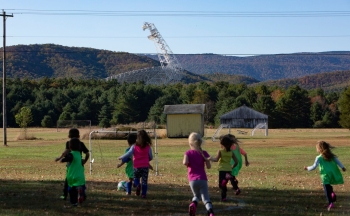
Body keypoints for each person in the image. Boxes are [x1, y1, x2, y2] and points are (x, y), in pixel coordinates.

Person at [304, 140, 346, 211]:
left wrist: (307, 168)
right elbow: (337, 161)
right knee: (329, 186)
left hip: (325, 175)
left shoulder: (319, 157)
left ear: (319, 149)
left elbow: (314, 167)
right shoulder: (331, 156)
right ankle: (332, 193)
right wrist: (342, 167)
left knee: (326, 188)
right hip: (332, 173)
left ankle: (330, 203)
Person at [183, 132, 214, 216]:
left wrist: (187, 163)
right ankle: (210, 212)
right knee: (206, 198)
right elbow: (208, 167)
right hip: (203, 179)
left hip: (192, 180)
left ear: (190, 143)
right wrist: (207, 160)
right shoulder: (204, 153)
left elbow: (185, 162)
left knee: (196, 195)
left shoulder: (188, 153)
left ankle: (193, 204)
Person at [55, 128, 90, 200]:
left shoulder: (69, 143)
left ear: (69, 135)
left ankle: (65, 195)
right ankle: (82, 193)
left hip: (70, 165)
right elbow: (87, 153)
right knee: (80, 179)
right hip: (79, 164)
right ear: (79, 135)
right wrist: (85, 161)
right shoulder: (81, 143)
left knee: (68, 179)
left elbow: (65, 152)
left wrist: (60, 158)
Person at [118, 130, 153, 198]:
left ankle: (137, 185)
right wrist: (147, 160)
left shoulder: (134, 146)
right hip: (145, 166)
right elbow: (151, 157)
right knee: (144, 181)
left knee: (136, 178)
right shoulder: (148, 147)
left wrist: (122, 157)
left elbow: (129, 154)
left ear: (138, 139)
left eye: (137, 138)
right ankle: (143, 194)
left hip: (137, 166)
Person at [209, 135, 238, 202]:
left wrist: (210, 158)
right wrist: (232, 167)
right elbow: (236, 162)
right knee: (224, 183)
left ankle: (224, 197)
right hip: (229, 170)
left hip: (222, 169)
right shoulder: (231, 153)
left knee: (221, 185)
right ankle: (223, 197)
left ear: (222, 144)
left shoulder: (220, 151)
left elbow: (216, 159)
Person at [59, 137, 87, 206]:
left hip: (71, 177)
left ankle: (74, 202)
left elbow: (69, 158)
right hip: (80, 176)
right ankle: (82, 194)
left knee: (71, 191)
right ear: (79, 147)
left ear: (70, 147)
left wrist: (62, 160)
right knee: (81, 187)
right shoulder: (79, 155)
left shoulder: (71, 154)